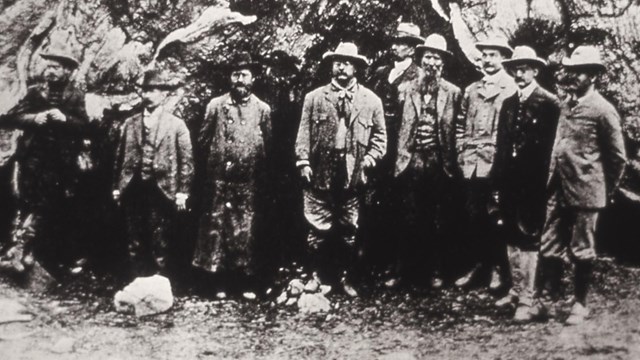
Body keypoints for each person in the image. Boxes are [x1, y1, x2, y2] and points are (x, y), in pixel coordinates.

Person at [541, 45, 626, 325]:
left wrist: (603, 189)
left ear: (593, 76)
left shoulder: (603, 110)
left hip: (587, 190)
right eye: (572, 71)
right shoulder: (566, 104)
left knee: (582, 248)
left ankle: (579, 303)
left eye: (581, 73)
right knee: (549, 244)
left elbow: (617, 158)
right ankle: (549, 299)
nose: (574, 77)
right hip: (558, 186)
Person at [295, 42, 386, 297]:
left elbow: (380, 139)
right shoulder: (314, 98)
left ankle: (346, 277)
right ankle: (316, 276)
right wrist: (303, 162)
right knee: (316, 227)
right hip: (320, 171)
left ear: (356, 67)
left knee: (349, 228)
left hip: (354, 173)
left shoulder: (371, 100)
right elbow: (303, 134)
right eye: (337, 62)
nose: (342, 67)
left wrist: (369, 160)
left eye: (347, 62)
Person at [0, 47, 89, 275]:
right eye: (48, 66)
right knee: (27, 202)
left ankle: (36, 252)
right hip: (33, 160)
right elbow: (11, 117)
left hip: (61, 164)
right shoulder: (34, 92)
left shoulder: (77, 95)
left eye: (56, 67)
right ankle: (22, 251)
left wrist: (66, 119)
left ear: (68, 71)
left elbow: (85, 126)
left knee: (53, 208)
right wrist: (34, 118)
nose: (49, 71)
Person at [192, 52, 272, 299]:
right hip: (219, 181)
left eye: (244, 75)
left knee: (244, 232)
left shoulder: (262, 109)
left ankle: (244, 283)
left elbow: (266, 144)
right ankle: (218, 284)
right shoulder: (216, 106)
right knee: (217, 231)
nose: (239, 79)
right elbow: (203, 140)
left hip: (247, 182)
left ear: (253, 78)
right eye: (235, 74)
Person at [492, 46, 560, 321]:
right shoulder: (508, 103)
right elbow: (501, 145)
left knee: (530, 237)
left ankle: (528, 298)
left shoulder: (549, 103)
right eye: (515, 69)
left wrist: (548, 184)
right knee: (510, 234)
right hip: (509, 181)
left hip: (534, 183)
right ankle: (517, 290)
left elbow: (554, 150)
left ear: (535, 70)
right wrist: (497, 182)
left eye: (524, 69)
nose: (519, 74)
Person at [390, 34, 461, 288]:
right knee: (407, 216)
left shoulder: (453, 93)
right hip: (411, 160)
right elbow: (397, 127)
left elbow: (456, 130)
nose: (431, 62)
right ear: (420, 60)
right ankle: (402, 272)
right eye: (427, 57)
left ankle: (436, 271)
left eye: (436, 57)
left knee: (438, 217)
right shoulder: (405, 90)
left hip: (439, 161)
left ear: (443, 62)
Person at [112, 68, 194, 279]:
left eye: (154, 90)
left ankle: (161, 282)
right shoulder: (130, 123)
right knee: (135, 237)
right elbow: (120, 157)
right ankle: (137, 280)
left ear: (164, 94)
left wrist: (183, 192)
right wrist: (116, 186)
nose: (148, 95)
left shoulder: (176, 125)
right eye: (145, 90)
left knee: (161, 238)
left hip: (162, 188)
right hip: (133, 187)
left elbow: (186, 161)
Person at [455, 35, 518, 291]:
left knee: (496, 219)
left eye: (493, 55)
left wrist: (504, 162)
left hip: (495, 164)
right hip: (471, 164)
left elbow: (513, 131)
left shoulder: (511, 88)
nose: (487, 60)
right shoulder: (471, 90)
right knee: (474, 217)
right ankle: (480, 266)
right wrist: (461, 150)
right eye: (484, 55)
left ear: (503, 58)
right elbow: (460, 124)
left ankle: (500, 271)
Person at [366, 22, 423, 283]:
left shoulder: (419, 76)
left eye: (402, 43)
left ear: (412, 47)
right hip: (377, 146)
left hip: (401, 149)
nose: (396, 47)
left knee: (402, 207)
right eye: (395, 42)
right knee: (375, 205)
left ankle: (399, 268)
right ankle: (374, 262)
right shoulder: (380, 73)